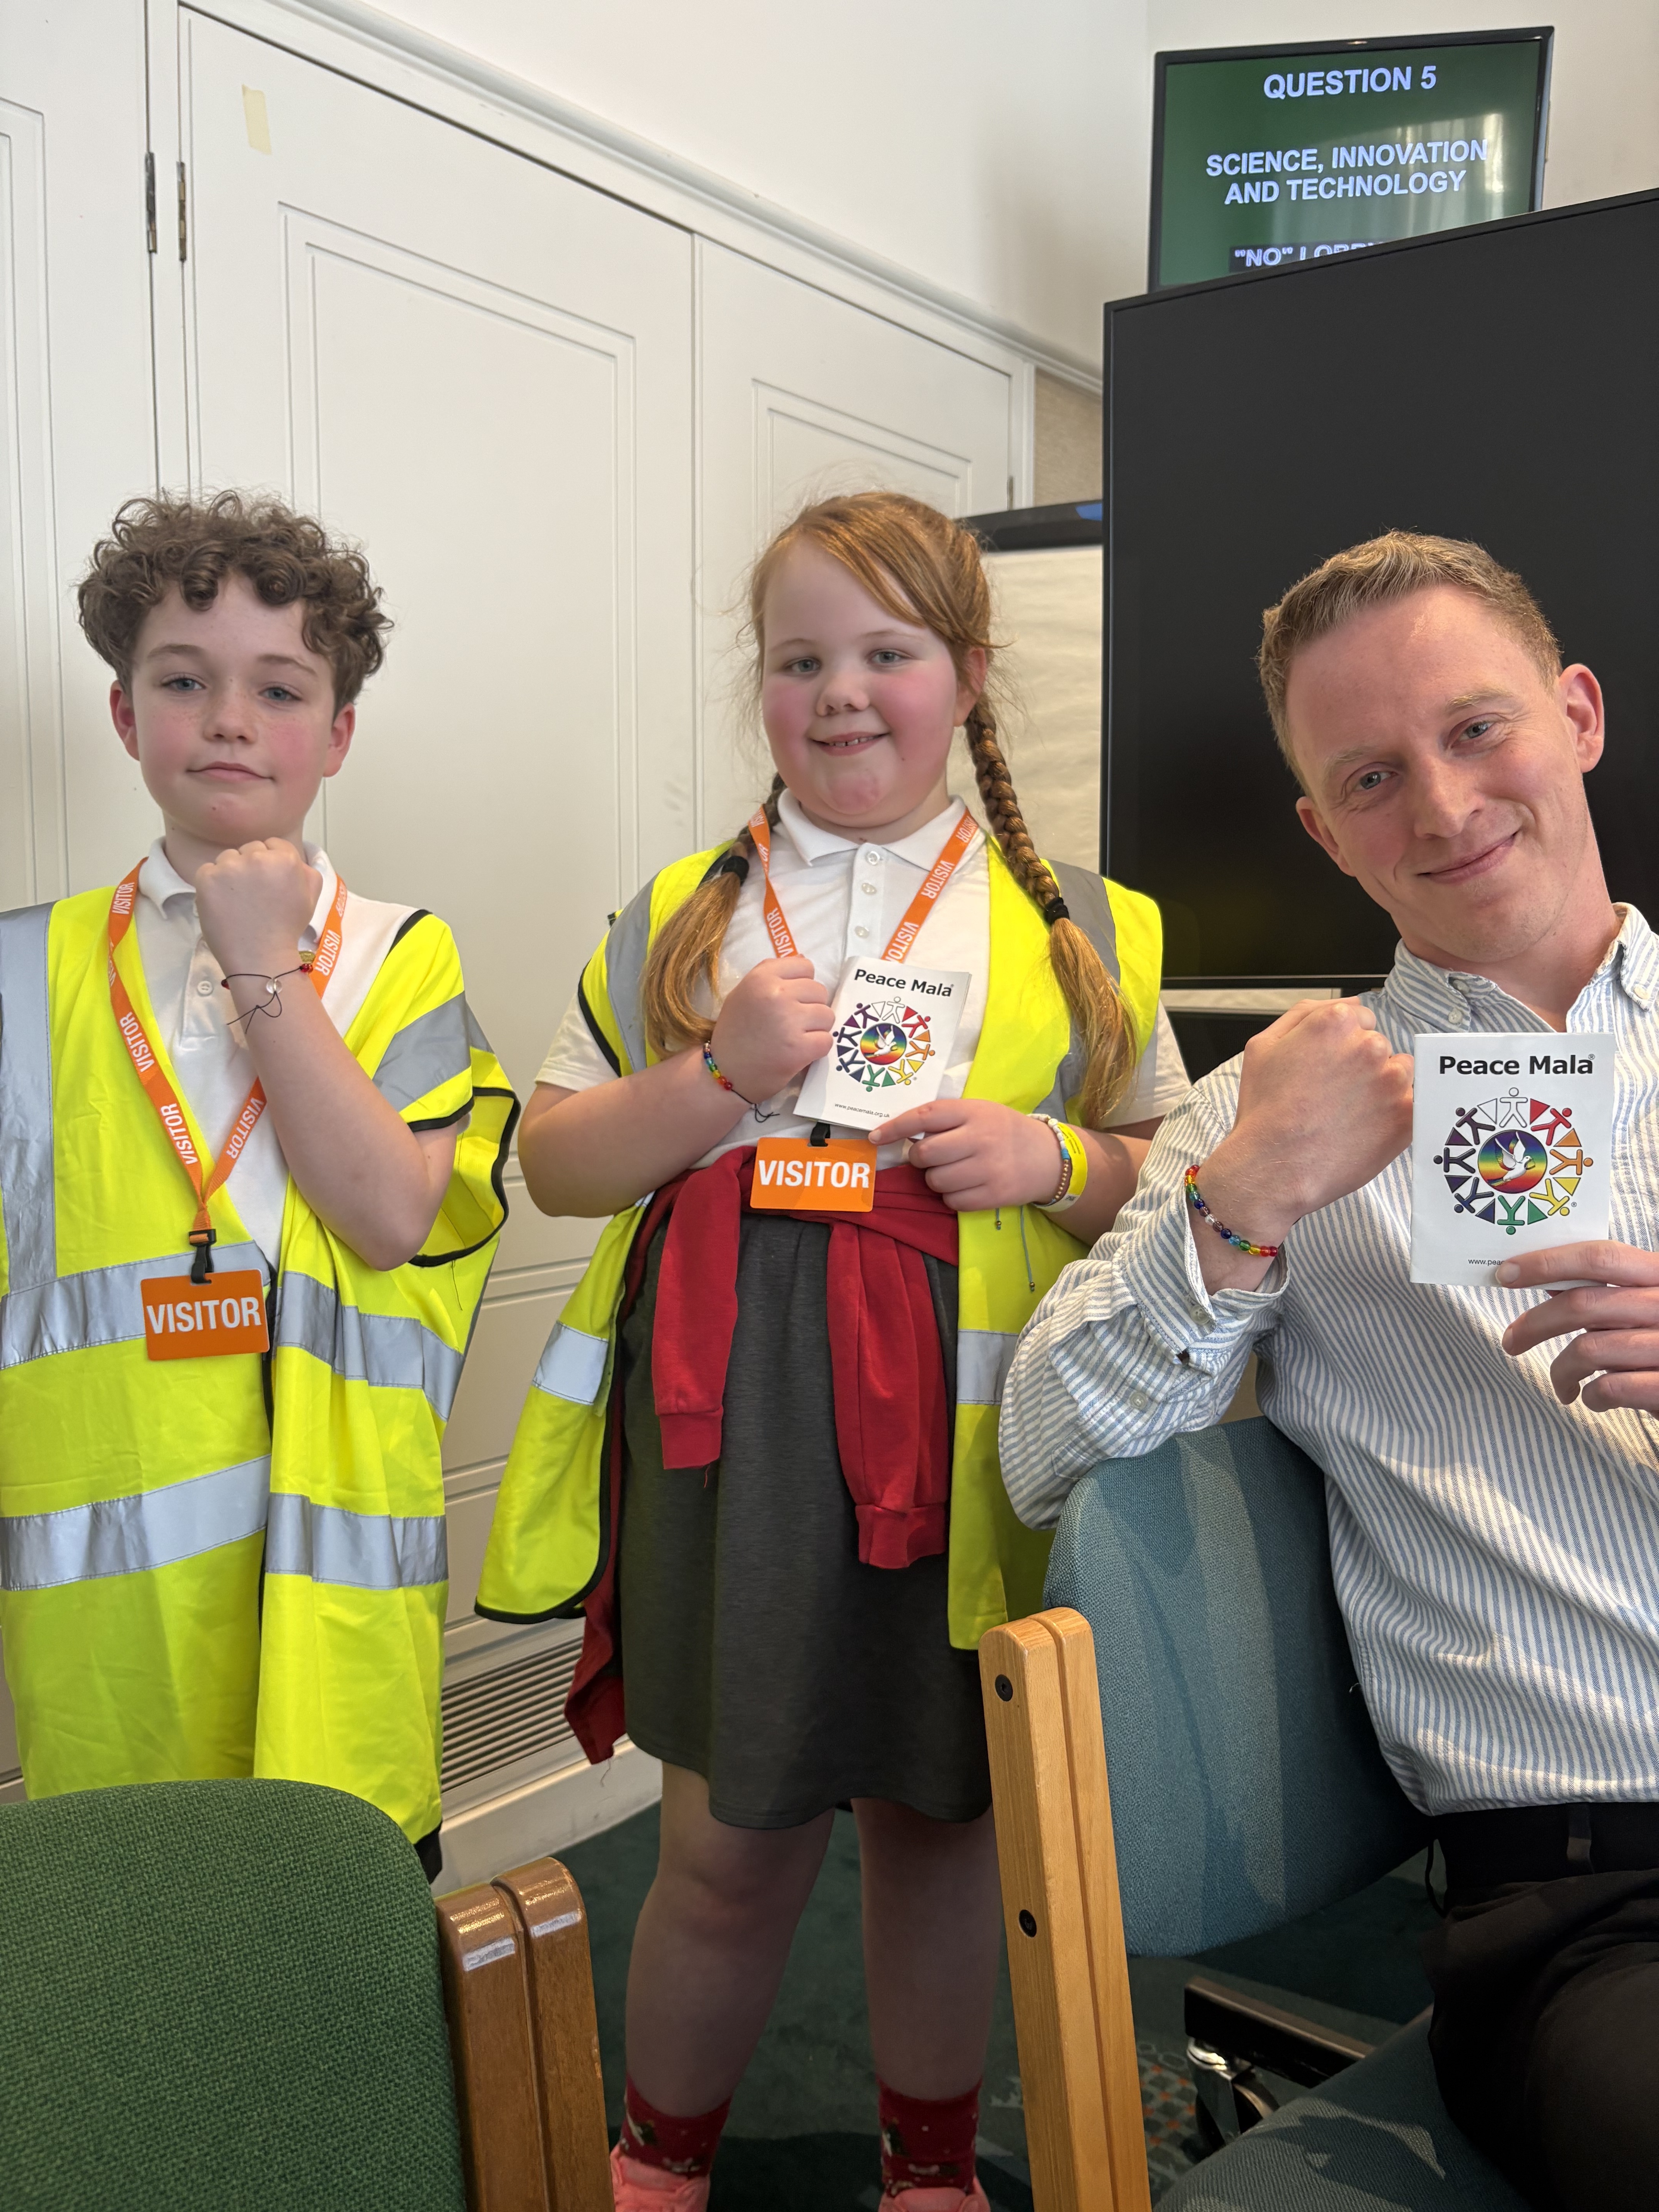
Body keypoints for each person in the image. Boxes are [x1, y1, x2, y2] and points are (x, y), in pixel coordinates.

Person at [478, 492, 1188, 2210]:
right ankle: (659, 2161)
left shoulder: (1087, 923)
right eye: (800, 660)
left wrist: (1054, 1158)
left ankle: (929, 2166)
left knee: (942, 1825)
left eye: (888, 652)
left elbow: (1168, 1177)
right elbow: (553, 1165)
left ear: (970, 674)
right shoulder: (678, 913)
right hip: (732, 1430)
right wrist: (714, 1075)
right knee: (727, 1838)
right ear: (761, 683)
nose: (842, 693)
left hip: (968, 1432)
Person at [1000, 529, 1659, 2212]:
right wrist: (1244, 1206)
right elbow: (1042, 1448)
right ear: (1322, 829)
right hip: (1596, 1892)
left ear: (1579, 716)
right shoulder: (1269, 1112)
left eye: (1476, 729)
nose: (1440, 806)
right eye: (1371, 776)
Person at [0, 491, 517, 1878]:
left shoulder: (399, 955)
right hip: (116, 1640)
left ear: (336, 734)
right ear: (125, 715)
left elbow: (389, 1215)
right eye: (184, 682)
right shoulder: (24, 971)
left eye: (279, 690)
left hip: (329, 1621)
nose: (230, 720)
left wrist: (260, 958)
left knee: (340, 1958)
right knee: (133, 1959)